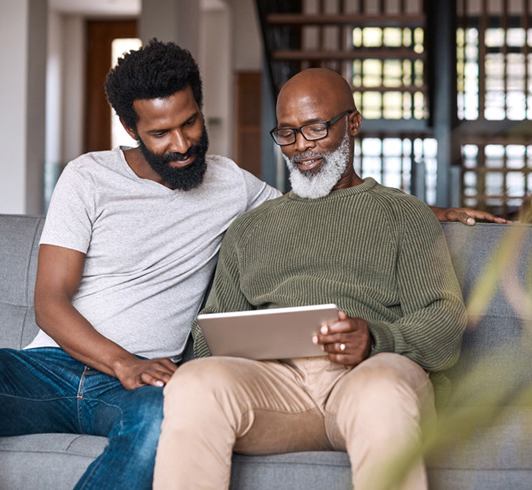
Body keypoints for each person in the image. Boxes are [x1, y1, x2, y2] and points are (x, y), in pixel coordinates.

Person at [0, 40, 498, 489]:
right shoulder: (90, 178)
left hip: (184, 380)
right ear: (131, 129)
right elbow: (53, 301)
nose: (181, 144)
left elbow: (332, 204)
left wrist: (431, 212)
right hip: (63, 367)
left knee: (161, 413)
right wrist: (135, 363)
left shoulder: (235, 188)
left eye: (189, 123)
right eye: (160, 133)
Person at [153, 68, 468, 490]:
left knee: (382, 391)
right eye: (287, 134)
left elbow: (444, 323)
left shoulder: (403, 214)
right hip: (276, 391)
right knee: (192, 383)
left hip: (368, 378)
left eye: (316, 129)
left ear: (352, 123)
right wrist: (247, 342)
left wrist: (375, 339)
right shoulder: (250, 228)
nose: (301, 146)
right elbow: (208, 336)